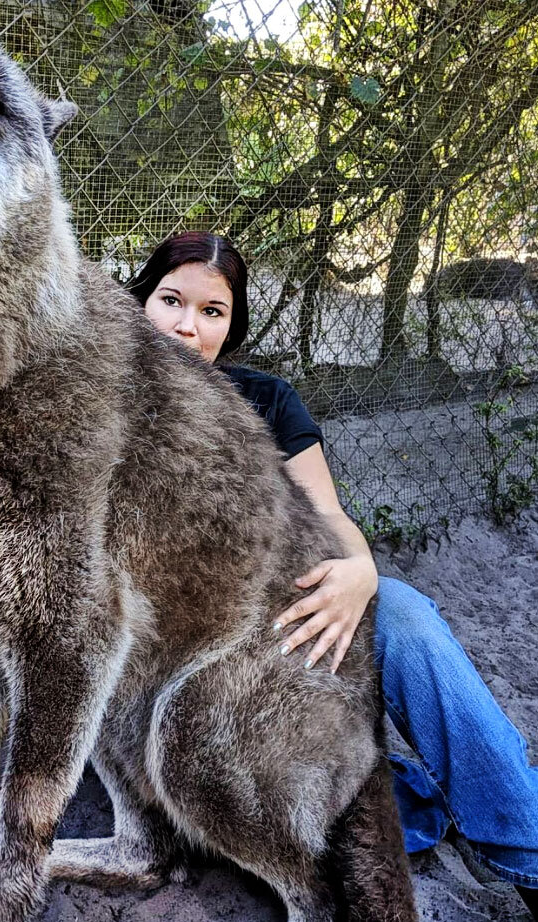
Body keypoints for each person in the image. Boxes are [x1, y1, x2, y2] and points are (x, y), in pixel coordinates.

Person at [127, 230, 538, 916]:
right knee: (278, 804)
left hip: (280, 614)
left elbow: (327, 515)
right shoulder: (98, 404)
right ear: (139, 302)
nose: (186, 327)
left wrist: (360, 571)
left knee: (402, 613)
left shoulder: (265, 398)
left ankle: (526, 858)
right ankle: (416, 801)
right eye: (171, 300)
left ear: (231, 327)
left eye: (211, 311)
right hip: (179, 657)